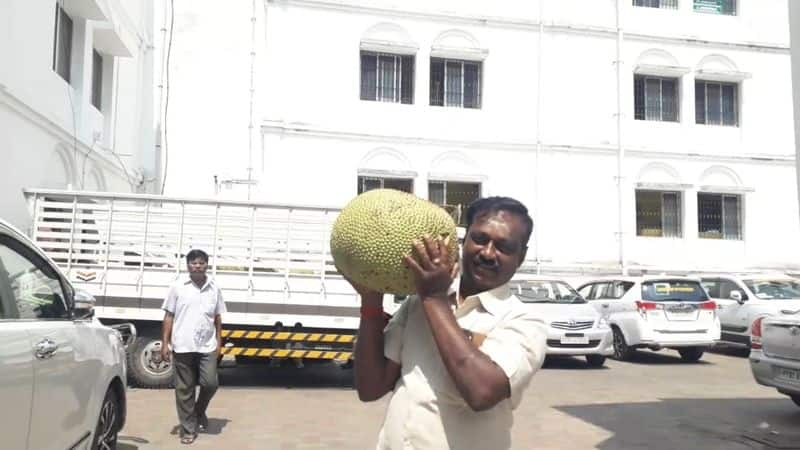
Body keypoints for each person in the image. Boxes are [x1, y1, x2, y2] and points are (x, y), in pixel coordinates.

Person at [346, 196, 547, 450]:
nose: (487, 253)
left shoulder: (524, 321)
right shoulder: (417, 304)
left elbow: (481, 391)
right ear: (464, 240)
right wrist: (371, 302)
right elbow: (370, 388)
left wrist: (433, 298)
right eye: (480, 239)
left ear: (521, 256)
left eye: (503, 247)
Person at [160, 249, 226, 445]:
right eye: (194, 263)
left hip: (207, 345)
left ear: (207, 265)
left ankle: (198, 411)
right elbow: (169, 316)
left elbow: (218, 317)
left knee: (210, 383)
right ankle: (188, 429)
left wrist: (219, 342)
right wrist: (165, 342)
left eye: (201, 262)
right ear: (188, 265)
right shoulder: (177, 287)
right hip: (182, 345)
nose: (198, 266)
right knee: (184, 389)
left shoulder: (214, 288)